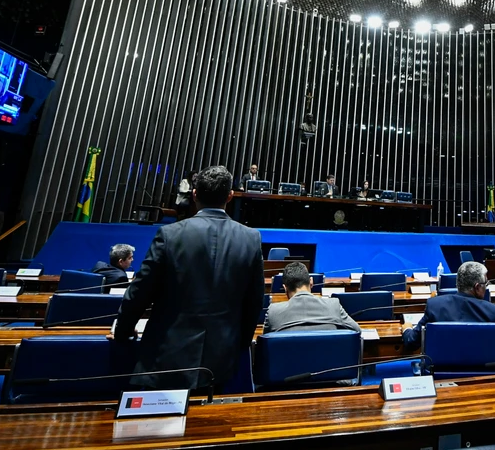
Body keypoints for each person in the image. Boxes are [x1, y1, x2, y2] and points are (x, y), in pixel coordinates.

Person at [112, 165, 264, 393]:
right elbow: (254, 302)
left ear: (194, 195)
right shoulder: (250, 238)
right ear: (231, 196)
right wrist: (240, 344)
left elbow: (140, 292)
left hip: (167, 356)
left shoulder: (170, 234)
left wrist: (122, 332)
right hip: (222, 359)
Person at [402, 260, 495, 356]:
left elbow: (411, 342)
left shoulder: (435, 306)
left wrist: (407, 328)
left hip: (442, 379)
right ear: (477, 287)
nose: (486, 287)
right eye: (485, 284)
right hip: (486, 380)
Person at [264, 262, 360, 333]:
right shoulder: (333, 306)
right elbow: (357, 332)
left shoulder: (273, 312)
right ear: (311, 282)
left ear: (285, 288)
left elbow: (265, 345)